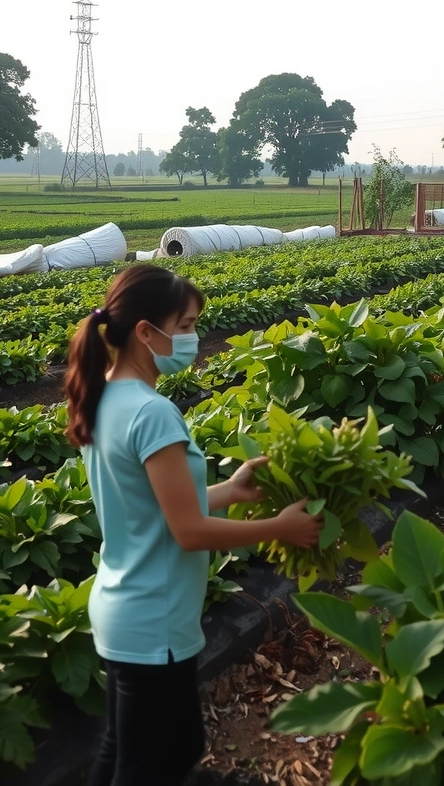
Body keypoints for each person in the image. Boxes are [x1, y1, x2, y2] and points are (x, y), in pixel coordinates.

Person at [63, 263, 323, 786]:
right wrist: (279, 526)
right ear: (145, 332)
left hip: (124, 608)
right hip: (152, 621)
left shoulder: (105, 397)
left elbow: (155, 507)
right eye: (183, 326)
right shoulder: (152, 412)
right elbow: (187, 531)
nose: (193, 339)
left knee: (144, 748)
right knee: (151, 765)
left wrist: (230, 490)